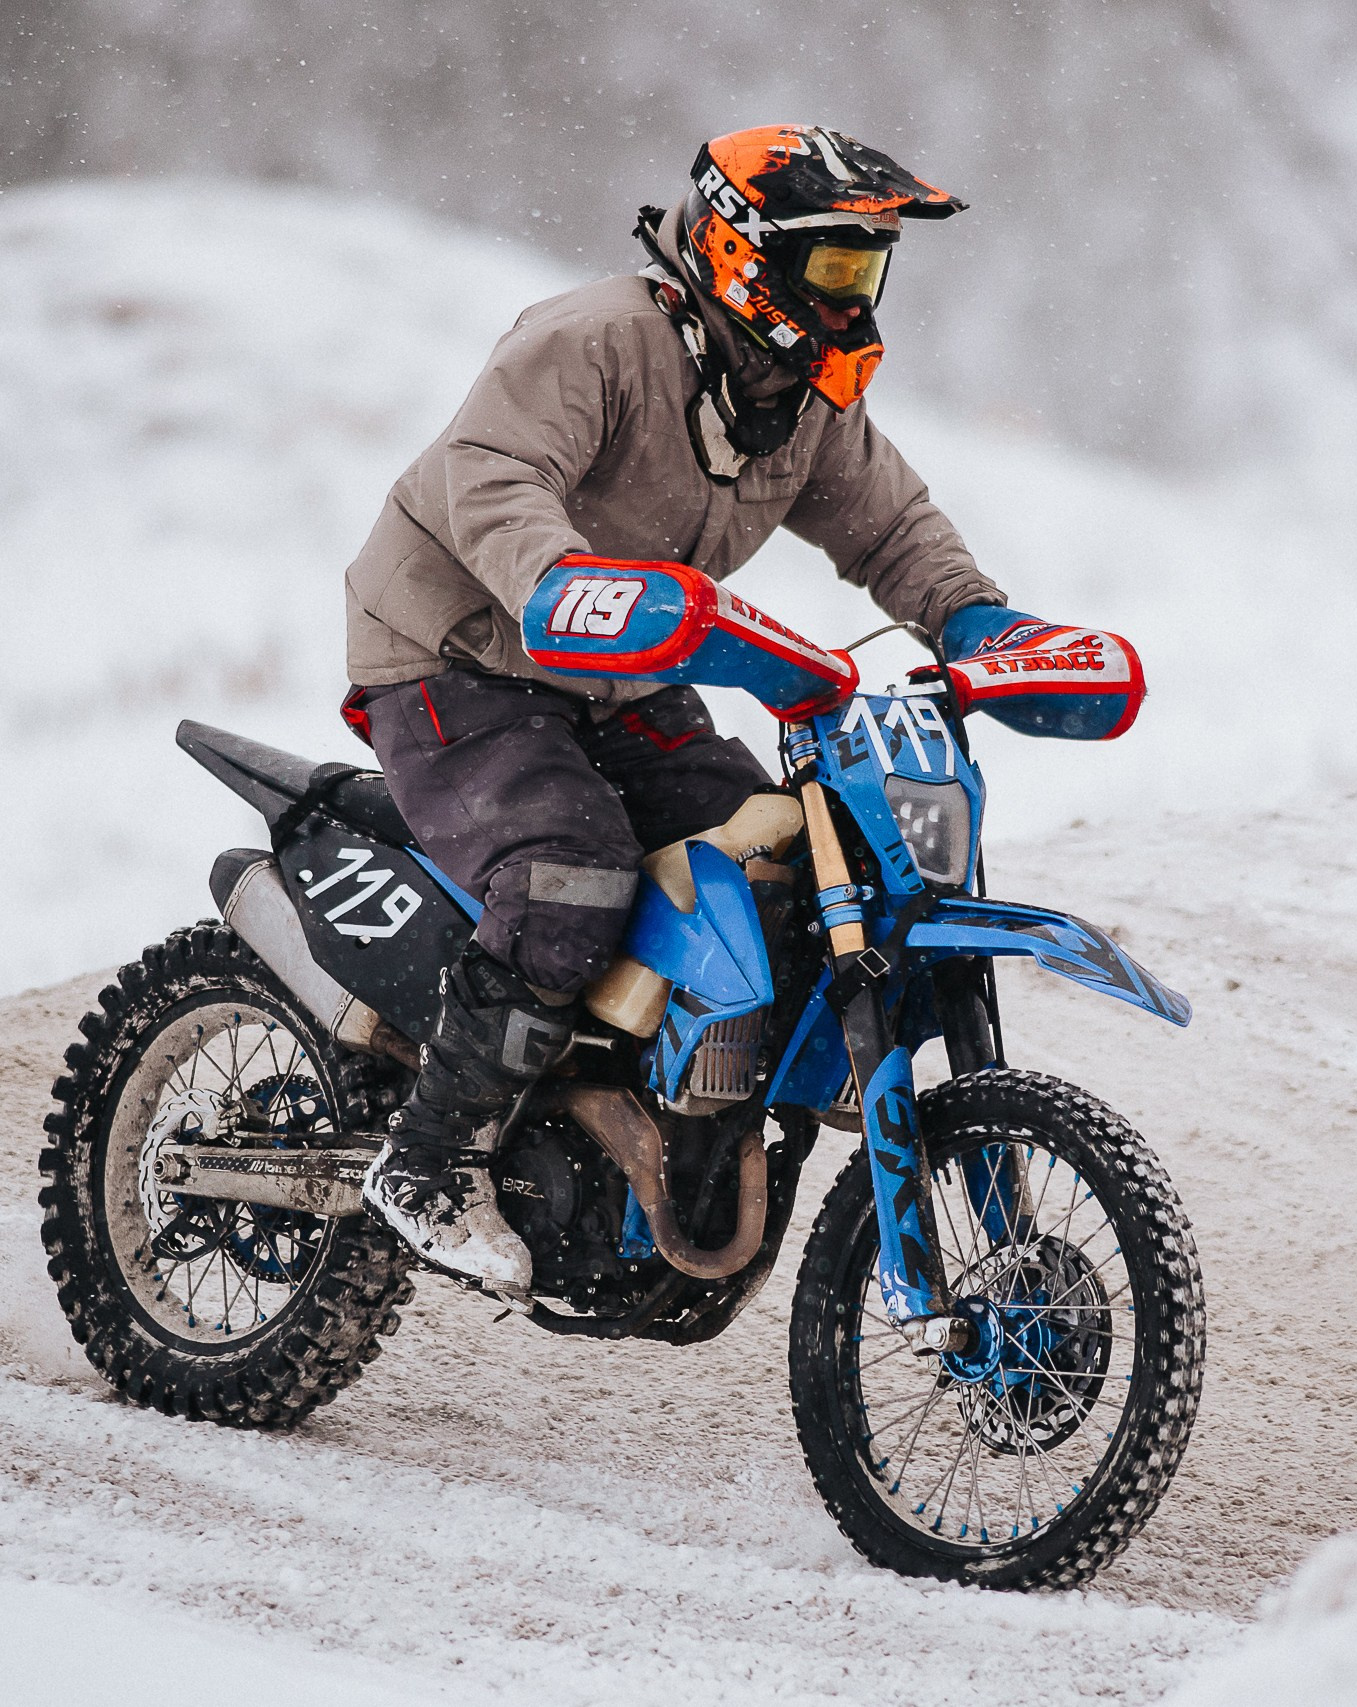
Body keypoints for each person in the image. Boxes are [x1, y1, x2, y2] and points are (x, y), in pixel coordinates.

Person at [336, 126, 1050, 1294]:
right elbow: (492, 475)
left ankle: (687, 1129)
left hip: (621, 671)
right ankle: (429, 1158)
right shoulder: (597, 340)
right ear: (739, 252)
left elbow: (888, 527)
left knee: (775, 872)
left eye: (867, 271)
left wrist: (977, 621)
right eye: (831, 268)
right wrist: (559, 581)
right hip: (458, 653)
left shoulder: (798, 396)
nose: (852, 298)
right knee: (570, 871)